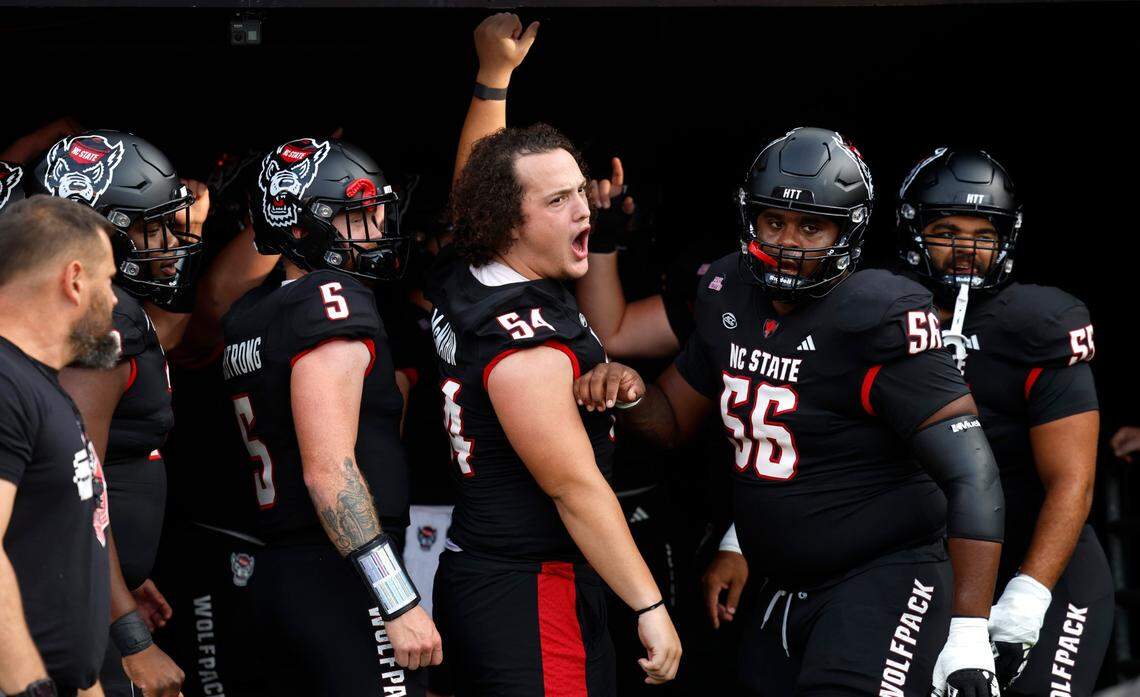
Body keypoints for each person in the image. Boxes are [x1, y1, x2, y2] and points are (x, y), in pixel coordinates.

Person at [575, 127, 1006, 697]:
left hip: (880, 578)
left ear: (846, 230)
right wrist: (629, 393)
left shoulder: (878, 313)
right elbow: (673, 423)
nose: (786, 242)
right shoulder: (726, 289)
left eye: (811, 226)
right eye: (773, 221)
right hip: (779, 586)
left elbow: (971, 472)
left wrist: (970, 629)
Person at [424, 15, 682, 696]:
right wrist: (650, 606)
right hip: (529, 588)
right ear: (508, 221)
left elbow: (474, 186)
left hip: (495, 573)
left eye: (580, 190)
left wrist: (494, 78)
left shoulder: (471, 269)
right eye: (559, 199)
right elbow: (574, 488)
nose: (583, 212)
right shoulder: (525, 343)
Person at [221, 137, 440, 696]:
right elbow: (329, 474)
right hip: (341, 573)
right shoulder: (329, 298)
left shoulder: (253, 310)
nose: (376, 226)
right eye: (357, 214)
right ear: (299, 226)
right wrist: (396, 599)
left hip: (284, 569)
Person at [895, 147, 1112, 696]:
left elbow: (1072, 480)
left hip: (1037, 559)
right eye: (946, 230)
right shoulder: (880, 313)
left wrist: (1030, 594)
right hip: (930, 566)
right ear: (914, 231)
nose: (966, 249)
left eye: (982, 233)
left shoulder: (1039, 322)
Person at [0, 196, 118, 697]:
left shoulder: (39, 386)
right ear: (74, 280)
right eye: (109, 281)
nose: (114, 300)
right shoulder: (5, 383)